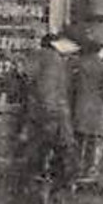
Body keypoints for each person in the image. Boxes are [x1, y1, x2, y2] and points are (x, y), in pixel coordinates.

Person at [23, 31, 77, 191]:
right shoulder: (54, 60)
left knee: (40, 144)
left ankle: (37, 176)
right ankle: (62, 178)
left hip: (40, 108)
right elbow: (52, 88)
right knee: (60, 144)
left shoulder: (38, 57)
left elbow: (28, 78)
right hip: (54, 109)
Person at [70, 35, 103, 181]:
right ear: (99, 51)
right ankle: (90, 171)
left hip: (79, 106)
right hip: (96, 109)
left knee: (79, 140)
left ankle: (76, 169)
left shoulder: (78, 64)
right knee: (94, 141)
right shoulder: (102, 67)